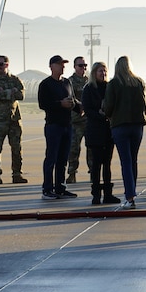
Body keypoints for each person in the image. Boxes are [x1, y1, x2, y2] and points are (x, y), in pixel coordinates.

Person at [103, 55, 146, 209]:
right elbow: (145, 103)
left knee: (126, 162)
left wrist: (106, 113)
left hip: (120, 126)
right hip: (137, 125)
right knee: (133, 160)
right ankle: (132, 193)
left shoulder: (114, 83)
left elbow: (108, 106)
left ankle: (130, 195)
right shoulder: (139, 82)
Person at [38, 55, 77, 199]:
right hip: (53, 126)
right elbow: (43, 104)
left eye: (63, 64)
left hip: (67, 125)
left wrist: (79, 107)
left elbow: (72, 99)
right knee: (51, 158)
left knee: (63, 158)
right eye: (60, 64)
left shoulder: (67, 82)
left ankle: (60, 187)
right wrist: (60, 104)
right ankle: (47, 189)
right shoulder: (46, 84)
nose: (63, 66)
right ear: (51, 66)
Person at [0, 56, 28, 184]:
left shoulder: (15, 79)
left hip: (14, 119)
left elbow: (21, 95)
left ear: (7, 65)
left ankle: (17, 174)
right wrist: (12, 92)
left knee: (16, 148)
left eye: (1, 64)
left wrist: (6, 92)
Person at [81, 62, 118, 205]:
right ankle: (96, 194)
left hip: (108, 130)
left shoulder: (110, 87)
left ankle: (108, 194)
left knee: (107, 164)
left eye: (104, 71)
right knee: (96, 164)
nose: (103, 73)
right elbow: (87, 109)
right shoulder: (89, 89)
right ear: (94, 73)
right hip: (94, 130)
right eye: (100, 71)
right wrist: (101, 115)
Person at [64, 57, 89, 184]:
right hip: (75, 121)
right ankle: (72, 173)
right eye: (80, 65)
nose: (83, 68)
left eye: (85, 65)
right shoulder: (70, 82)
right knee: (73, 149)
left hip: (89, 121)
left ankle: (93, 172)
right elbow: (69, 98)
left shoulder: (90, 81)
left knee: (92, 148)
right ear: (74, 66)